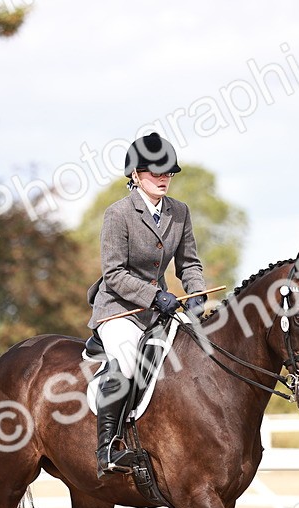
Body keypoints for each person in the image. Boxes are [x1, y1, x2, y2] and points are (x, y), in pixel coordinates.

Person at [85, 132, 209, 478]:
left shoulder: (179, 213)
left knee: (193, 354)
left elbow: (190, 265)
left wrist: (196, 294)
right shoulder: (118, 214)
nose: (164, 178)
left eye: (168, 172)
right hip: (119, 309)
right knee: (127, 361)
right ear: (136, 176)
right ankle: (108, 448)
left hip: (163, 310)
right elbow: (113, 274)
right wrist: (155, 296)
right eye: (156, 173)